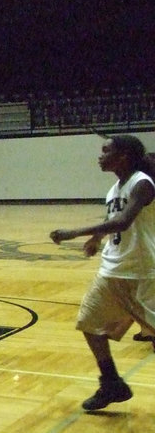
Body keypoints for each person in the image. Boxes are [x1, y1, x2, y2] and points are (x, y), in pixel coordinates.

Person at [50, 135, 155, 411]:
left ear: (123, 157)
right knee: (89, 323)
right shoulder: (114, 189)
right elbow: (112, 220)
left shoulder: (142, 184)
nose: (100, 155)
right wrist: (97, 237)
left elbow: (122, 221)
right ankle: (111, 382)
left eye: (106, 151)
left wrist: (74, 232)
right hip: (112, 271)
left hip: (143, 273)